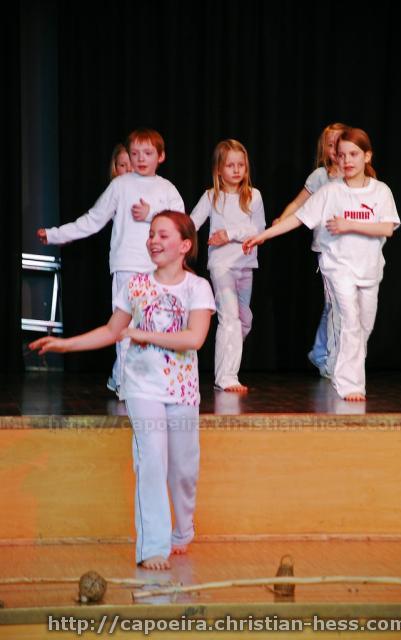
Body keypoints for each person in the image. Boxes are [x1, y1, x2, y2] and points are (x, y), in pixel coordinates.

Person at [30, 211, 216, 570]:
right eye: (151, 234)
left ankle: (182, 528)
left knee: (183, 469)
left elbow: (194, 338)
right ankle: (153, 547)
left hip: (181, 390)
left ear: (184, 245)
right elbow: (112, 330)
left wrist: (144, 334)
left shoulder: (198, 288)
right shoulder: (135, 284)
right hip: (141, 386)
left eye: (163, 235)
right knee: (151, 460)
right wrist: (65, 345)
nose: (154, 241)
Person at [243, 128, 400, 402]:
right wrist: (264, 235)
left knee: (364, 325)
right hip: (337, 266)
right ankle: (350, 383)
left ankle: (345, 373)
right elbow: (299, 218)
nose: (347, 161)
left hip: (369, 268)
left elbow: (387, 228)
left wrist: (349, 224)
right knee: (349, 319)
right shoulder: (330, 192)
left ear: (367, 156)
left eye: (353, 154)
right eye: (342, 155)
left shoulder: (381, 191)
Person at [36, 128, 185, 396]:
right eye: (135, 153)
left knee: (155, 326)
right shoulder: (120, 186)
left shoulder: (167, 189)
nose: (141, 159)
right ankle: (126, 387)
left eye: (148, 153)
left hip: (159, 269)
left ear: (161, 156)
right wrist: (55, 234)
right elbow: (93, 219)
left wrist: (152, 214)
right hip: (127, 265)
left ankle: (125, 379)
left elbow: (181, 224)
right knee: (125, 326)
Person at [272, 122, 347, 379]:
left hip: (353, 250)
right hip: (327, 249)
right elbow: (298, 203)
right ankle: (331, 360)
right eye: (330, 145)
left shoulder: (357, 175)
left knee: (340, 306)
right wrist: (282, 220)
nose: (335, 150)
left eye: (339, 144)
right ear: (324, 149)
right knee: (335, 304)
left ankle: (321, 352)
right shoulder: (319, 177)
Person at [190, 139, 266, 393]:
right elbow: (191, 223)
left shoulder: (254, 196)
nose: (236, 170)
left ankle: (227, 362)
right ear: (219, 169)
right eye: (230, 165)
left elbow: (259, 230)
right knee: (229, 317)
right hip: (221, 266)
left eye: (240, 165)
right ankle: (226, 377)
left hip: (245, 266)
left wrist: (229, 234)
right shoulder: (211, 196)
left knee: (244, 321)